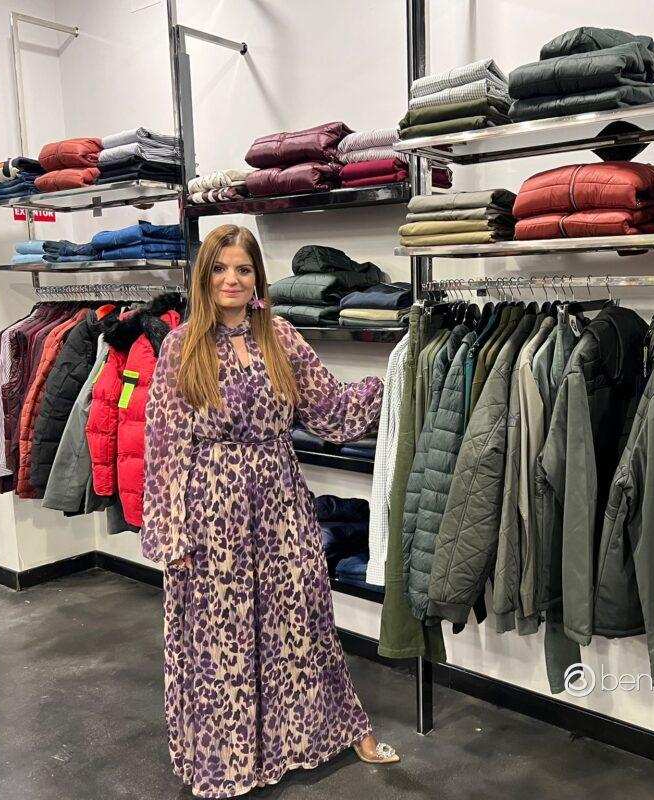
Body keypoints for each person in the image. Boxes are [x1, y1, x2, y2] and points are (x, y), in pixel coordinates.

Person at [141, 223, 399, 799]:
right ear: (203, 277)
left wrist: (394, 382)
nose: (231, 280)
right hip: (212, 509)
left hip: (280, 500)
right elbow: (164, 443)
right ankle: (229, 759)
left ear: (258, 277)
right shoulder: (181, 346)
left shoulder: (280, 336)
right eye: (220, 268)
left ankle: (322, 733)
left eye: (243, 269)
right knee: (222, 634)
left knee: (300, 617)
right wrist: (170, 532)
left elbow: (330, 409)